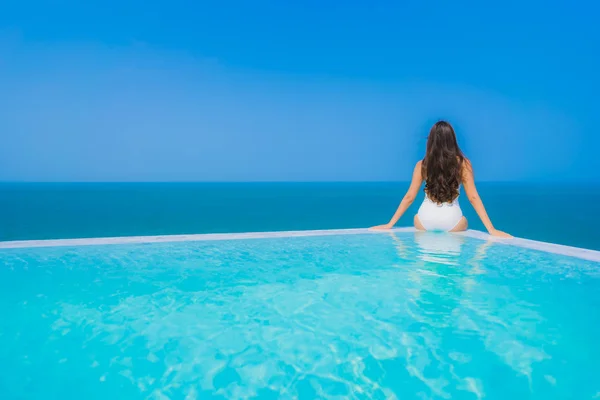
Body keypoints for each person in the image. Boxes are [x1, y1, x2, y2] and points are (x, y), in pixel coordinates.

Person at [371, 121, 511, 237]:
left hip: (425, 221)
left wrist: (390, 224)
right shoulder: (463, 164)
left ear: (431, 141)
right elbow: (473, 197)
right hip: (452, 221)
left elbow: (409, 197)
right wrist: (491, 230)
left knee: (416, 218)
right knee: (465, 221)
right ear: (452, 140)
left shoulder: (422, 165)